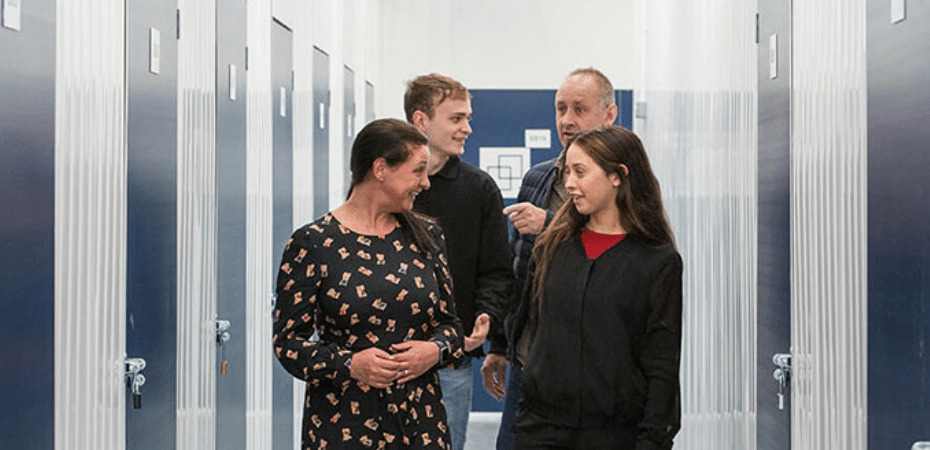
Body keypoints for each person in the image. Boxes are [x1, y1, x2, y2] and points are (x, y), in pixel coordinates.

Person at [273, 118, 465, 450]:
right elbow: (289, 344)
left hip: (421, 422)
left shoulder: (427, 236)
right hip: (343, 423)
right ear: (380, 169)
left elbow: (451, 326)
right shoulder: (313, 244)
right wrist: (350, 364)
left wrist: (435, 350)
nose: (426, 183)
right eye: (417, 171)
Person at [509, 126, 682, 450]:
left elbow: (662, 364)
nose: (569, 183)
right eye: (567, 172)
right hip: (541, 430)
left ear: (617, 175)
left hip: (616, 435)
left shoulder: (657, 261)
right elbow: (538, 335)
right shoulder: (553, 246)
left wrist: (654, 439)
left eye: (580, 172)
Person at [481, 68, 619, 449]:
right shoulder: (538, 180)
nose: (567, 120)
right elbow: (517, 271)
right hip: (530, 358)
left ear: (609, 115)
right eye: (560, 109)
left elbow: (622, 265)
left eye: (579, 109)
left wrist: (550, 227)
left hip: (593, 368)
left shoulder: (626, 186)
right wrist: (499, 345)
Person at [405, 73, 512, 450]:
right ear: (421, 121)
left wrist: (486, 315)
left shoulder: (479, 189)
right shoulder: (385, 184)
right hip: (388, 359)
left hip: (451, 360)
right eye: (456, 118)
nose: (467, 128)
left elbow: (498, 271)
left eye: (468, 118)